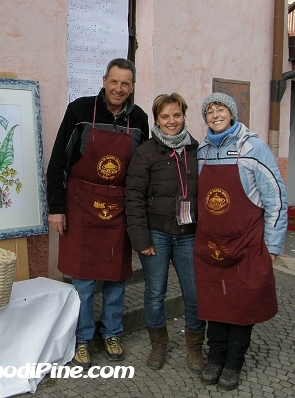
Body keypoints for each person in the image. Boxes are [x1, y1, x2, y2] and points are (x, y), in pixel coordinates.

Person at [47, 58, 149, 367]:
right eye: (114, 82)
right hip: (80, 204)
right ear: (104, 81)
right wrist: (56, 209)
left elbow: (143, 170)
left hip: (119, 207)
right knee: (83, 280)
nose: (119, 89)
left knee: (117, 277)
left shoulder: (140, 119)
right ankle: (83, 338)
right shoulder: (79, 111)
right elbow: (57, 163)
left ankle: (113, 332)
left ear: (132, 87)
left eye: (126, 84)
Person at [195, 93, 287, 390]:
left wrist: (273, 244)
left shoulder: (254, 148)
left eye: (220, 109)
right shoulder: (203, 151)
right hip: (212, 247)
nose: (215, 114)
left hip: (246, 244)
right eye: (209, 111)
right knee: (215, 305)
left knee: (241, 306)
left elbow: (276, 198)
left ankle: (233, 364)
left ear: (232, 114)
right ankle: (215, 358)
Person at [125, 93, 206, 372]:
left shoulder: (198, 151)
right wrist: (141, 239)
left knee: (194, 293)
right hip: (157, 233)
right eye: (164, 116)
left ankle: (195, 346)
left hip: (189, 234)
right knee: (155, 293)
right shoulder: (146, 152)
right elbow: (133, 196)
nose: (171, 121)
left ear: (184, 116)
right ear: (157, 120)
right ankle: (158, 343)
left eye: (176, 115)